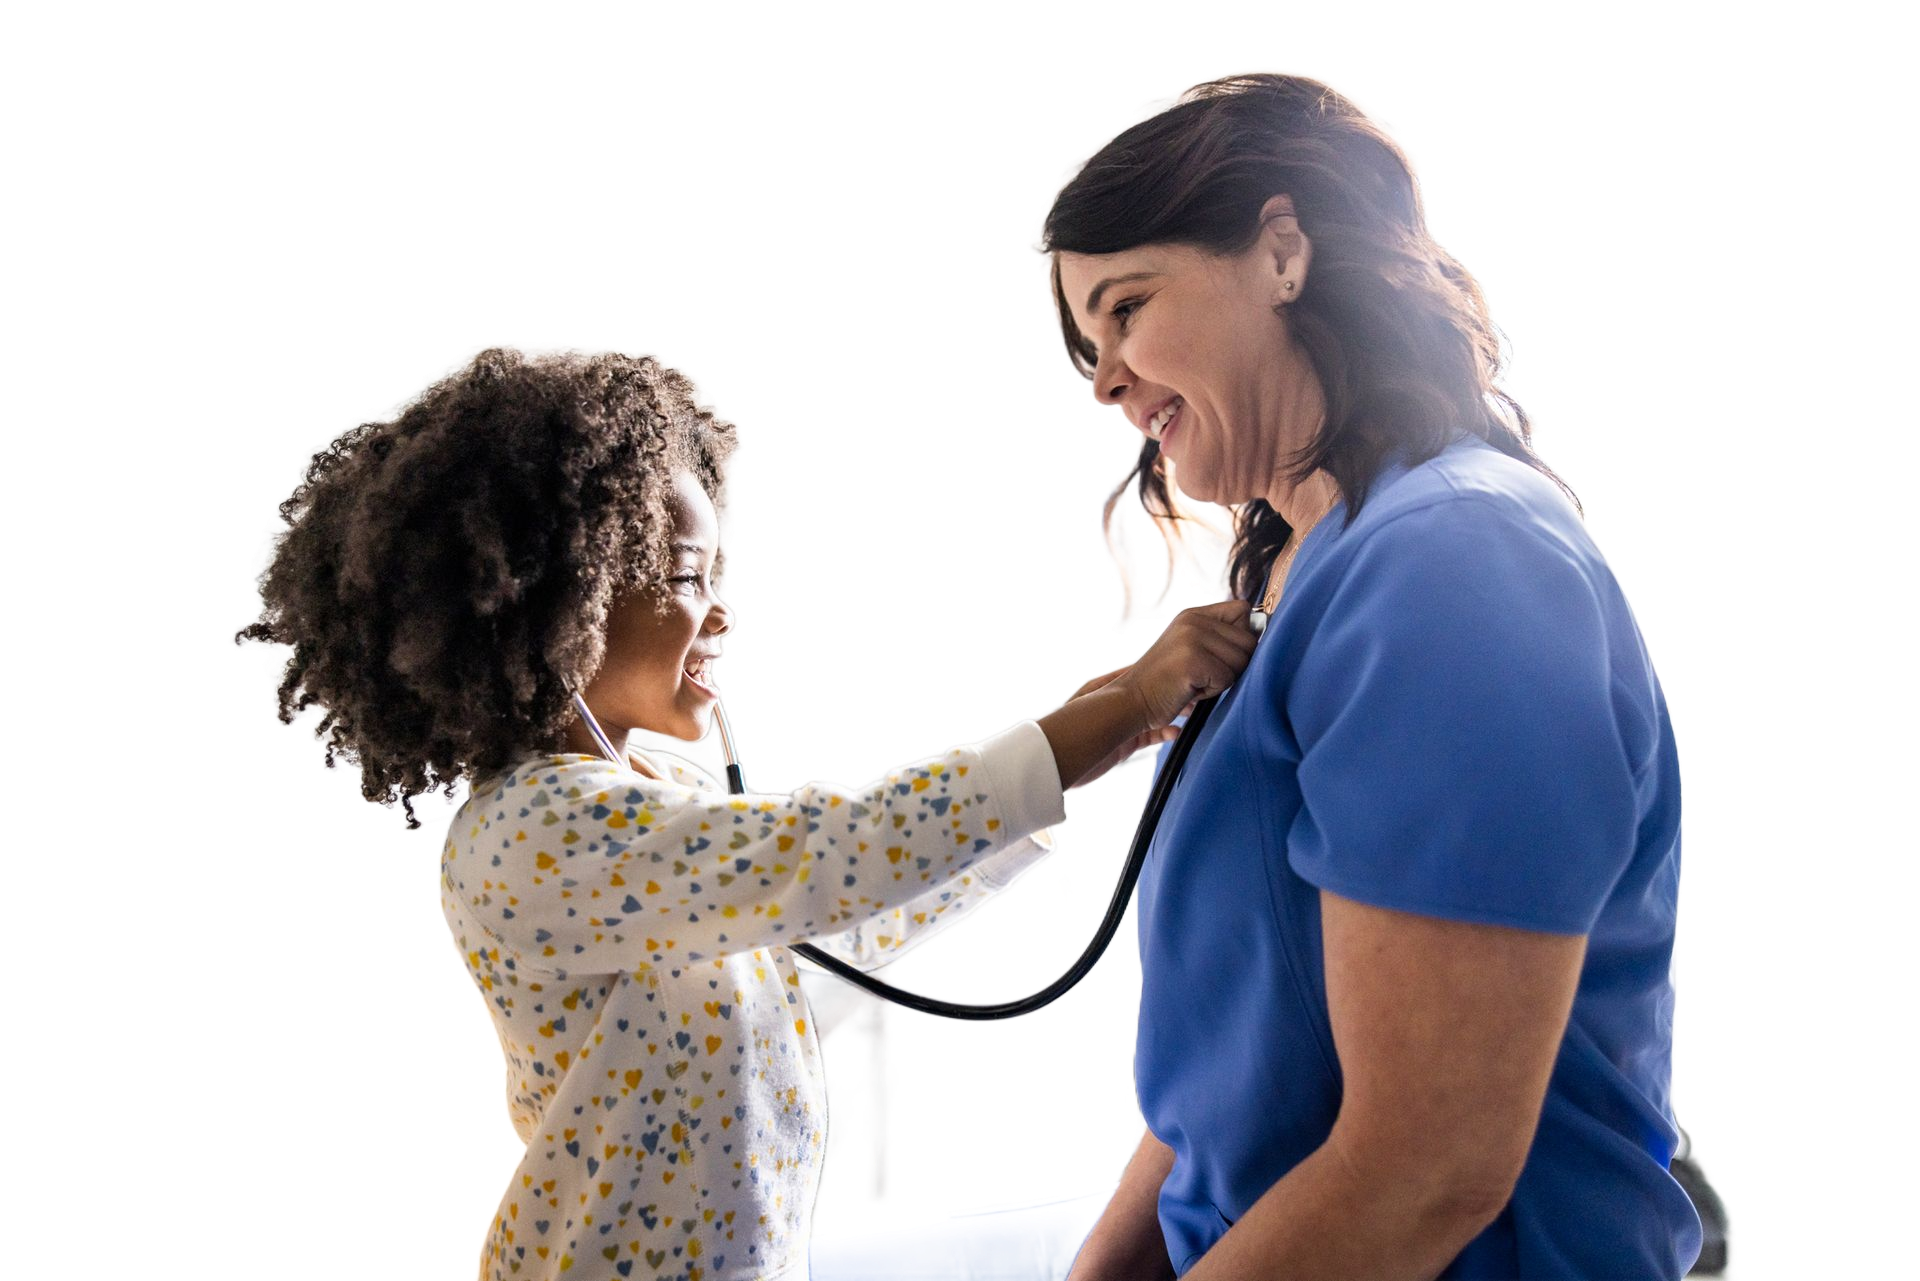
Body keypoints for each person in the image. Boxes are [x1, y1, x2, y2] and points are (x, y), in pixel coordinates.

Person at [810, 67, 1703, 1281]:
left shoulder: (1454, 567)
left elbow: (1423, 1172)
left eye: (1126, 307)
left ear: (1283, 250)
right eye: (1084, 345)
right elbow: (1208, 1109)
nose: (1103, 378)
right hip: (1215, 1227)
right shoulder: (1307, 573)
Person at [226, 337, 1256, 1281]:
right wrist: (1115, 706)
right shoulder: (533, 834)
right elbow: (828, 850)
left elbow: (832, 918)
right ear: (553, 602)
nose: (721, 612)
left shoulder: (653, 796)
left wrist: (1088, 751)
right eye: (684, 576)